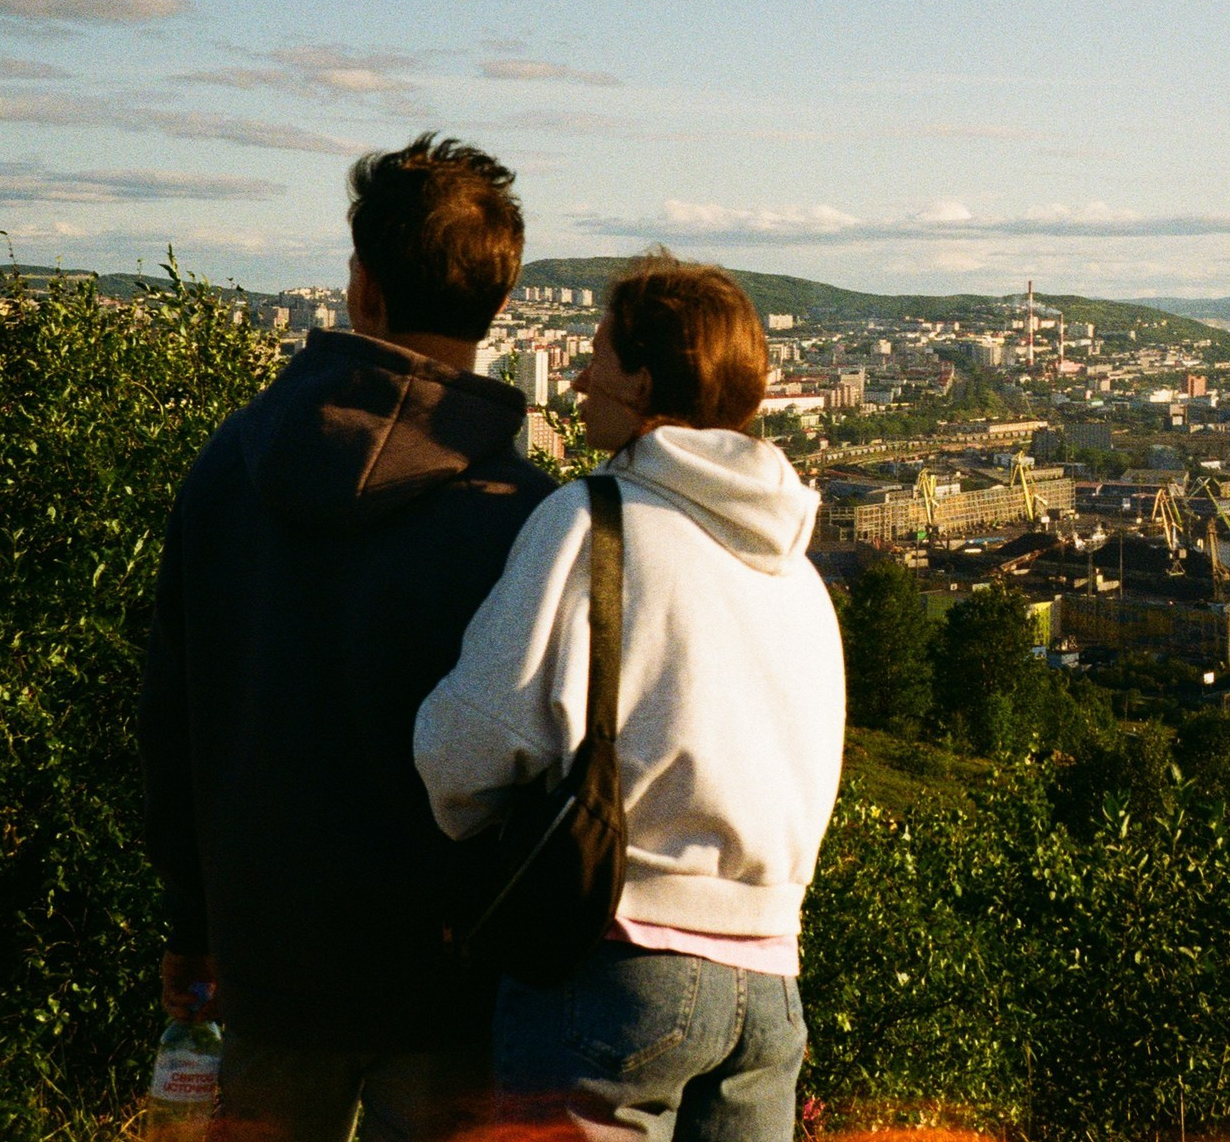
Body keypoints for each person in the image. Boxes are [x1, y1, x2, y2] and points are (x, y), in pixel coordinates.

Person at [141, 134, 555, 1142]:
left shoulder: (229, 468)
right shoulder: (527, 514)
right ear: (501, 300)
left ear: (361, 286)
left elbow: (171, 716)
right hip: (450, 970)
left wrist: (192, 920)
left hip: (267, 953)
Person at [415, 252, 846, 1142]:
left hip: (617, 961)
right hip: (772, 987)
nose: (577, 379)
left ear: (645, 381)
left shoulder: (591, 519)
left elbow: (466, 746)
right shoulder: (798, 572)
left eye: (596, 355)